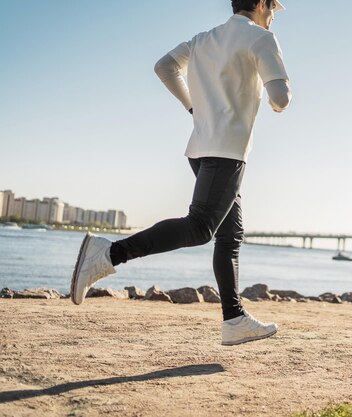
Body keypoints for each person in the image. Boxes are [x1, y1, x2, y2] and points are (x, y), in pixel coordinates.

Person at [70, 0, 291, 346]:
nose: (274, 15)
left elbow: (164, 67)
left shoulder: (204, 38)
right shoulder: (261, 38)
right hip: (226, 152)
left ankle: (233, 319)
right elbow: (281, 96)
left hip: (201, 149)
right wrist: (280, 99)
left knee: (230, 234)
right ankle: (108, 253)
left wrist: (192, 105)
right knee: (201, 227)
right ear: (262, 4)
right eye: (274, 7)